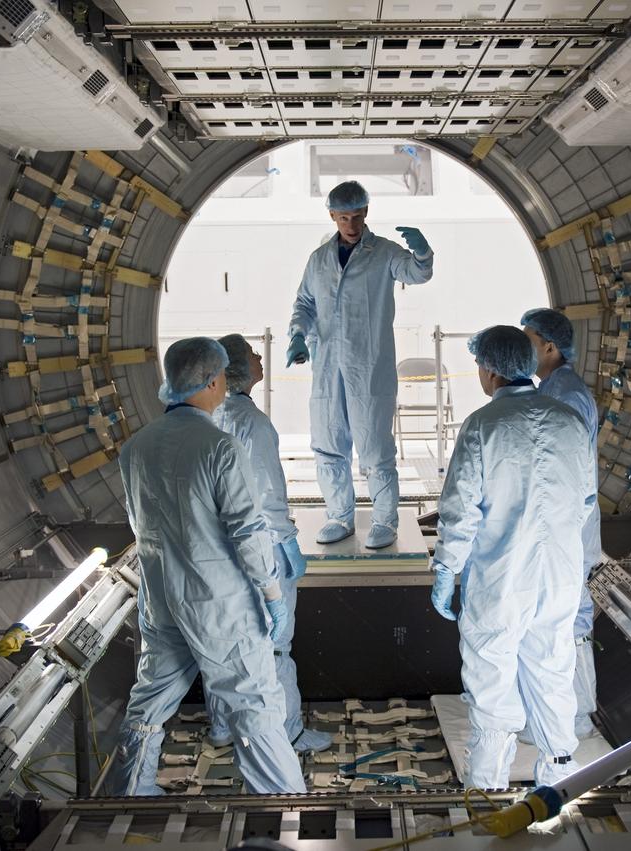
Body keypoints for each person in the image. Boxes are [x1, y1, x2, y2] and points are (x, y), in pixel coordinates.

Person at [109, 337, 306, 796]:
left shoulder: (135, 448)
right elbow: (248, 532)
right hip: (220, 604)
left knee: (150, 701)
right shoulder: (220, 447)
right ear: (215, 381)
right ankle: (287, 809)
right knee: (254, 710)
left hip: (160, 598)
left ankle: (130, 796)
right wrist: (273, 594)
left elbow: (139, 525)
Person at [428, 325, 596, 789]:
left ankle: (487, 789)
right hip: (559, 579)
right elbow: (585, 500)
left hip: (501, 582)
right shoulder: (569, 421)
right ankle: (559, 783)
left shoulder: (483, 426)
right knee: (552, 673)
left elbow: (459, 515)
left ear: (488, 370)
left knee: (492, 680)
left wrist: (445, 573)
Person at [286, 180, 434, 550]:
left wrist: (422, 254)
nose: (350, 224)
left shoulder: (384, 252)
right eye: (343, 217)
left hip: (369, 366)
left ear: (367, 213)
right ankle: (339, 515)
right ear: (333, 216)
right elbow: (305, 303)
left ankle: (385, 521)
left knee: (374, 449)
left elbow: (416, 274)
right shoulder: (318, 260)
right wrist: (298, 336)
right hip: (326, 368)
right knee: (327, 444)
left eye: (356, 216)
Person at [208, 333, 335, 754]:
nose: (261, 355)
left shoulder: (209, 418)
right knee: (276, 644)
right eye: (253, 352)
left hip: (219, 549)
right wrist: (288, 542)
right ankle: (290, 732)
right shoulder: (253, 424)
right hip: (261, 547)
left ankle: (224, 728)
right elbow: (266, 495)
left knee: (227, 643)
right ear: (239, 370)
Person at [521, 307, 602, 741]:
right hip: (558, 524)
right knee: (554, 617)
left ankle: (576, 717)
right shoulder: (552, 388)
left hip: (567, 527)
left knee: (568, 619)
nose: (523, 347)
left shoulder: (565, 396)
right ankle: (557, 716)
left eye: (528, 339)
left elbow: (562, 469)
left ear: (549, 346)